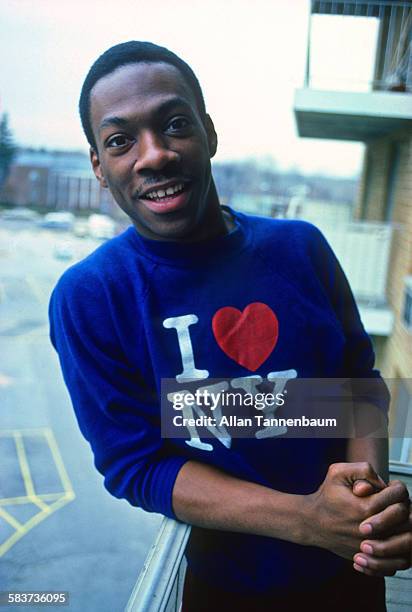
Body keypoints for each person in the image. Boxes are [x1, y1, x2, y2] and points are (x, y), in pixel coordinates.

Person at [49, 41, 411, 611]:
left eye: (174, 125)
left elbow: (357, 387)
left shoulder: (300, 250)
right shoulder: (93, 296)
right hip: (226, 591)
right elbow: (135, 463)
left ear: (209, 133)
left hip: (354, 576)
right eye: (120, 140)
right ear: (98, 165)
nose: (154, 155)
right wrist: (307, 520)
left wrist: (365, 505)